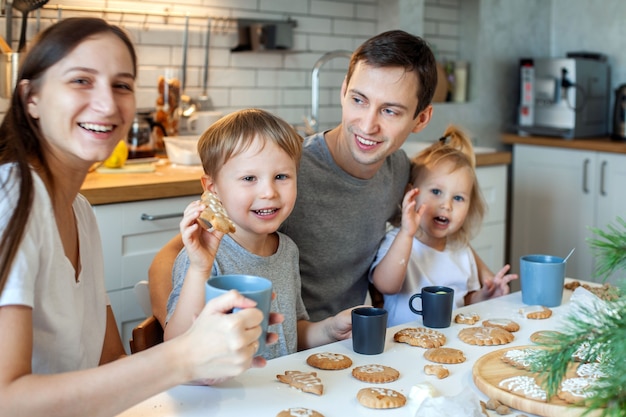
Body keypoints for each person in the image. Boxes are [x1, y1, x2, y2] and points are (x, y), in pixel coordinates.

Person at [0, 18, 280, 416]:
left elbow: (112, 366)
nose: (108, 104)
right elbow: (7, 401)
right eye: (81, 80)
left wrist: (211, 356)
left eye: (122, 85)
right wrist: (183, 357)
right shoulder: (9, 199)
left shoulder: (80, 213)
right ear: (31, 98)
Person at [149, 30, 503, 324]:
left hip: (342, 341)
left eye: (390, 111)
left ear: (421, 120)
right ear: (343, 89)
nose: (367, 125)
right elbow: (172, 259)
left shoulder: (399, 172)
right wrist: (182, 345)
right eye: (359, 100)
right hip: (272, 348)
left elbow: (434, 220)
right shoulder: (282, 173)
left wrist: (484, 273)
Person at [164, 108, 355, 360]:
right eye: (249, 178)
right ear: (213, 188)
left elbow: (289, 334)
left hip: (277, 391)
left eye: (281, 176)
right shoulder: (202, 258)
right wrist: (200, 269)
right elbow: (177, 346)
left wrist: (330, 329)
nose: (269, 192)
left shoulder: (287, 250)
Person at [369, 125, 518, 326]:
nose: (446, 205)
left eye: (458, 198)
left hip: (452, 345)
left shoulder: (461, 251)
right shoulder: (398, 240)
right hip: (402, 348)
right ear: (411, 194)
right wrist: (406, 233)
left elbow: (464, 300)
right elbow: (386, 286)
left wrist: (484, 296)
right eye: (436, 192)